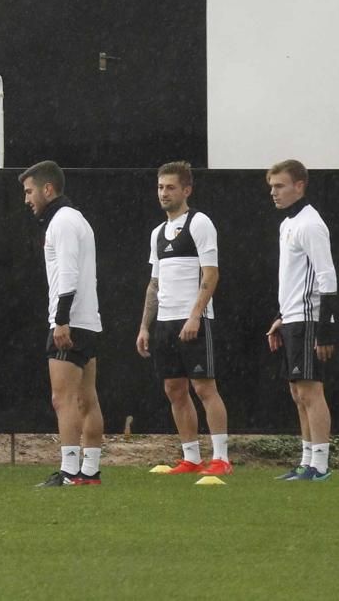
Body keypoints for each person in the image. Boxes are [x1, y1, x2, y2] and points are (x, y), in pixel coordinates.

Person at [135, 162, 231, 476]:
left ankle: (221, 459)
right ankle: (191, 457)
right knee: (174, 390)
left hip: (193, 321)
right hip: (164, 323)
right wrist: (144, 326)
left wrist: (195, 316)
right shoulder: (157, 233)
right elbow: (154, 282)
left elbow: (211, 274)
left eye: (171, 187)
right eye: (161, 187)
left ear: (186, 190)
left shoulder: (199, 223)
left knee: (205, 388)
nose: (164, 193)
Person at [21, 160, 104, 487]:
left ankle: (70, 472)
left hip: (71, 321)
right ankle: (90, 471)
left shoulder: (63, 222)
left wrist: (61, 320)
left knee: (63, 399)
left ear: (47, 189)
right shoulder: (76, 220)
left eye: (29, 192)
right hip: (88, 321)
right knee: (87, 398)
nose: (27, 200)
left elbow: (67, 273)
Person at [265, 160, 337, 481]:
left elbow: (326, 277)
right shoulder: (287, 224)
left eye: (280, 186)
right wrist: (282, 317)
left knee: (311, 391)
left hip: (309, 319)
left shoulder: (311, 224)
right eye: (271, 186)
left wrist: (326, 329)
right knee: (297, 394)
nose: (274, 192)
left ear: (300, 185)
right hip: (293, 318)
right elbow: (295, 278)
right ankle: (307, 460)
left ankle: (320, 465)